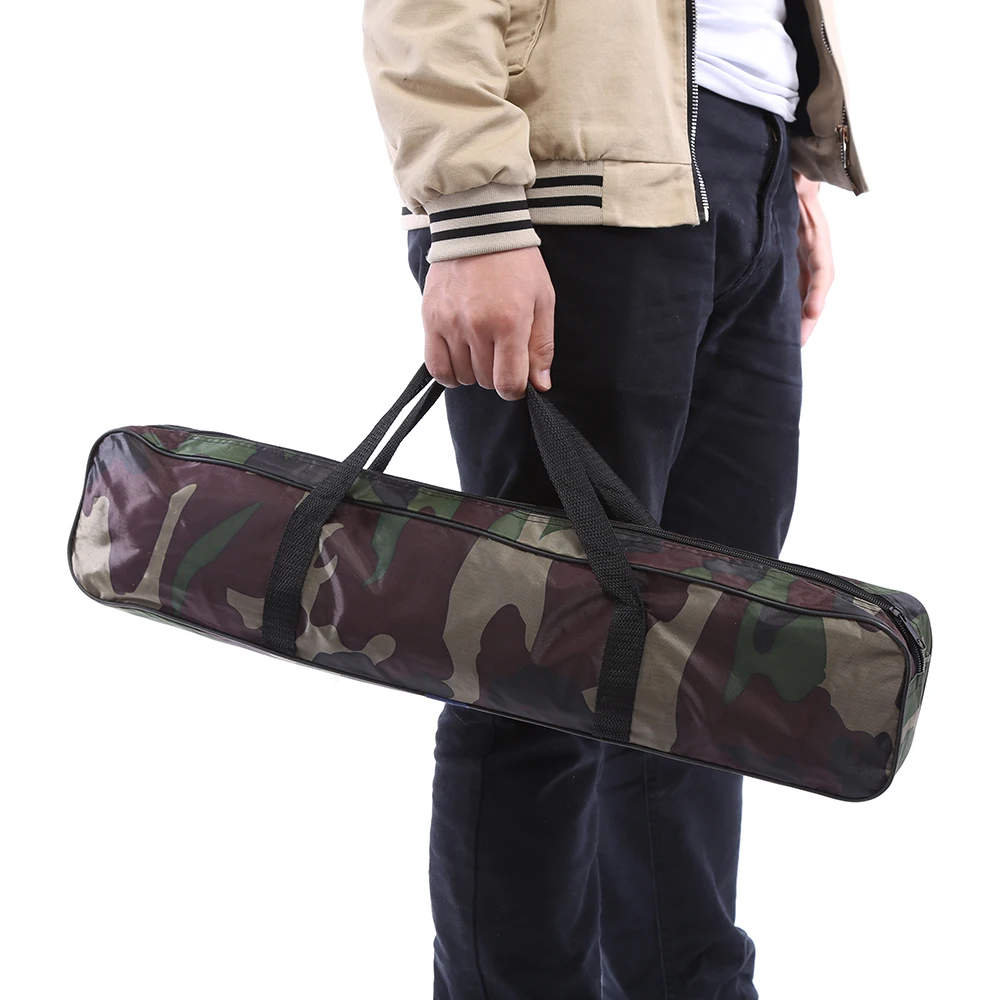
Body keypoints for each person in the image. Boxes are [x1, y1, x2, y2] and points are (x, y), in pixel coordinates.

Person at [361, 1, 866, 997]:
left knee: (701, 662)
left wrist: (787, 170)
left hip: (747, 166)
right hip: (580, 180)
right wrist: (471, 208)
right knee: (540, 662)